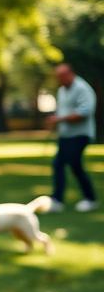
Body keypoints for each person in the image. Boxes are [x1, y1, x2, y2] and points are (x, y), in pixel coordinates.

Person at [47, 63, 97, 212]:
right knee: (58, 164)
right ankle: (57, 200)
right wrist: (56, 121)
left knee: (75, 164)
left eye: (61, 76)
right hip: (65, 135)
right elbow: (62, 111)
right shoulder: (62, 90)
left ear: (69, 74)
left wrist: (60, 119)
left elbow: (84, 112)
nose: (59, 80)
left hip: (80, 135)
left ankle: (90, 198)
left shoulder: (82, 88)